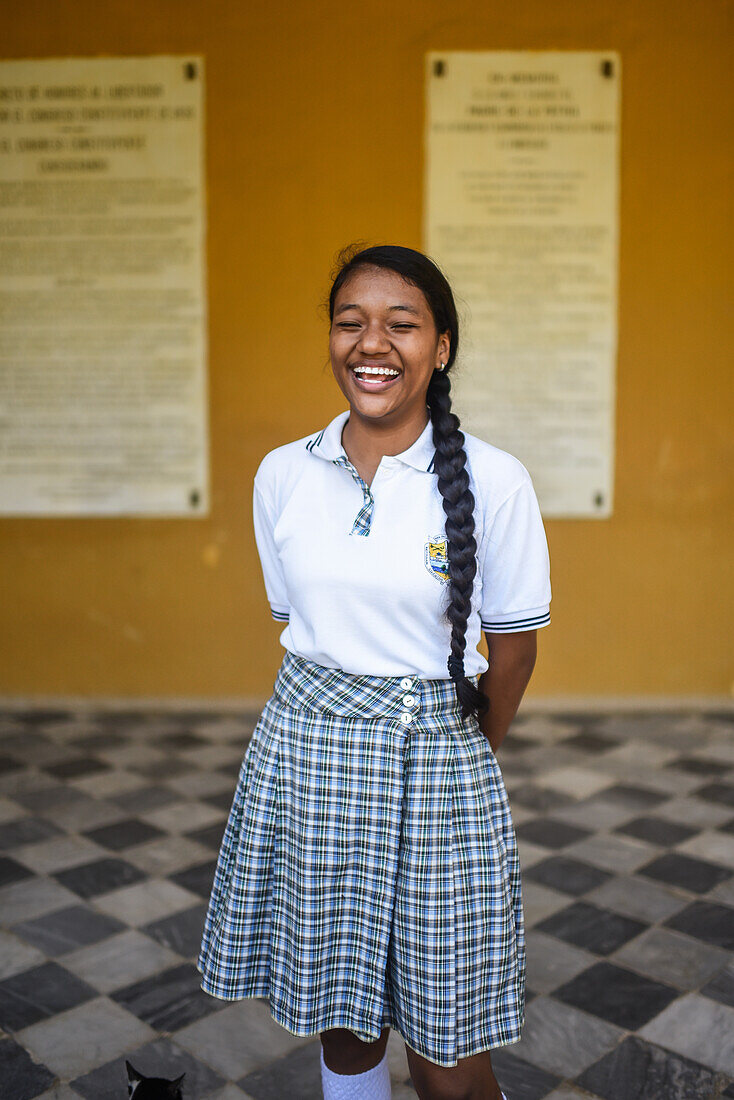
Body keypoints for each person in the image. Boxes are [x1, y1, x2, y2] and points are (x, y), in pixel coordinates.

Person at [198, 244, 551, 1100]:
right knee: (347, 1025)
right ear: (331, 339)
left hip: (436, 767)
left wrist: (460, 753)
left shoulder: (496, 482)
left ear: (442, 347)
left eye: (402, 324)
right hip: (311, 761)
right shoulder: (283, 474)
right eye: (350, 322)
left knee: (446, 1044)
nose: (372, 344)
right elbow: (298, 622)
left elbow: (515, 647)